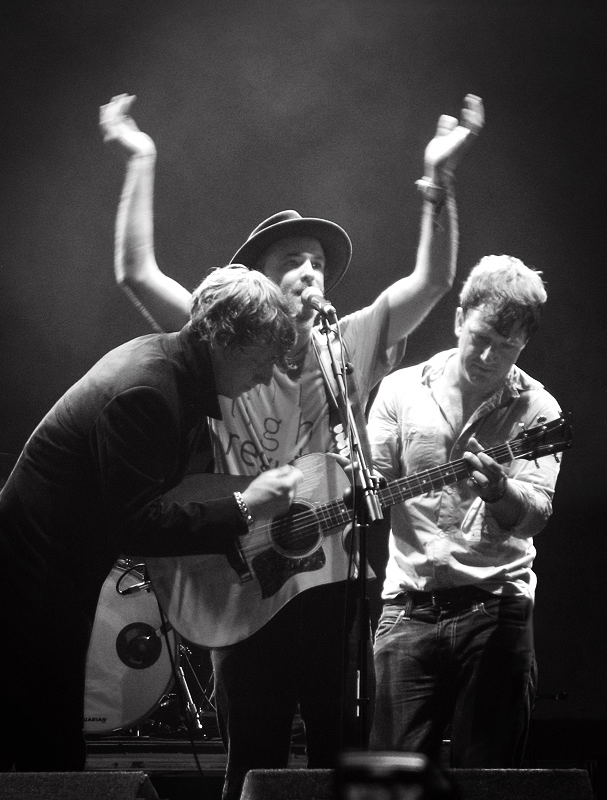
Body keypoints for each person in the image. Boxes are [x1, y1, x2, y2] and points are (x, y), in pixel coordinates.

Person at [99, 91, 484, 800]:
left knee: (344, 747)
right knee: (255, 747)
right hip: (242, 574)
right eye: (293, 260)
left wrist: (440, 180)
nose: (310, 272)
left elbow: (432, 280)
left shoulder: (349, 344)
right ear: (259, 279)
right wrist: (139, 158)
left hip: (331, 579)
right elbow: (135, 273)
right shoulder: (223, 335)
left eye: (317, 263)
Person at [0, 265, 303, 772]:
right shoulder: (149, 391)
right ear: (227, 339)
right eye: (263, 358)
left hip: (40, 577)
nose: (267, 374)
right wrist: (244, 506)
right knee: (33, 750)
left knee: (38, 745)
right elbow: (133, 523)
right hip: (20, 583)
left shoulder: (169, 372)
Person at [367, 255, 563, 767]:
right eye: (479, 337)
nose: (487, 356)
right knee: (390, 785)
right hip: (408, 607)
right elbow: (371, 484)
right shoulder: (400, 390)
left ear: (524, 343)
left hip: (496, 606)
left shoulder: (539, 411)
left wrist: (501, 492)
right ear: (458, 320)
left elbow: (537, 513)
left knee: (491, 783)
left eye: (507, 346)